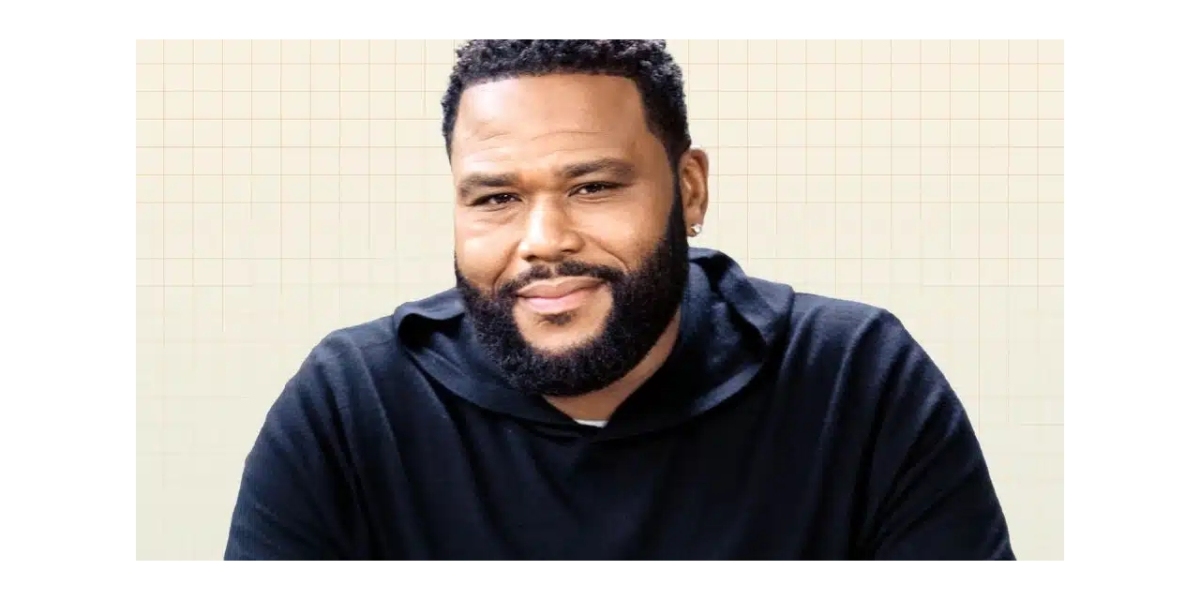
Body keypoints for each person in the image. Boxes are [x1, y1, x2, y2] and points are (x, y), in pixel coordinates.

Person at [224, 39, 1015, 560]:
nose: (543, 241)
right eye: (496, 198)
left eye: (593, 187)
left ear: (689, 188)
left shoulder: (855, 380)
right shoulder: (353, 402)